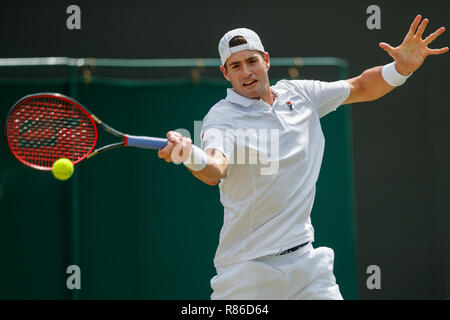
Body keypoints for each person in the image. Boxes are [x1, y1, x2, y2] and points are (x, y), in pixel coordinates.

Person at [158, 15, 448, 299]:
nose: (246, 72)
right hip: (247, 272)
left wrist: (401, 68)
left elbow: (361, 86)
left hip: (307, 267)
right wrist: (189, 155)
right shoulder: (221, 118)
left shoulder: (300, 94)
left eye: (251, 61)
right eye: (235, 66)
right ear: (225, 73)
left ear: (266, 60)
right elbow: (214, 168)